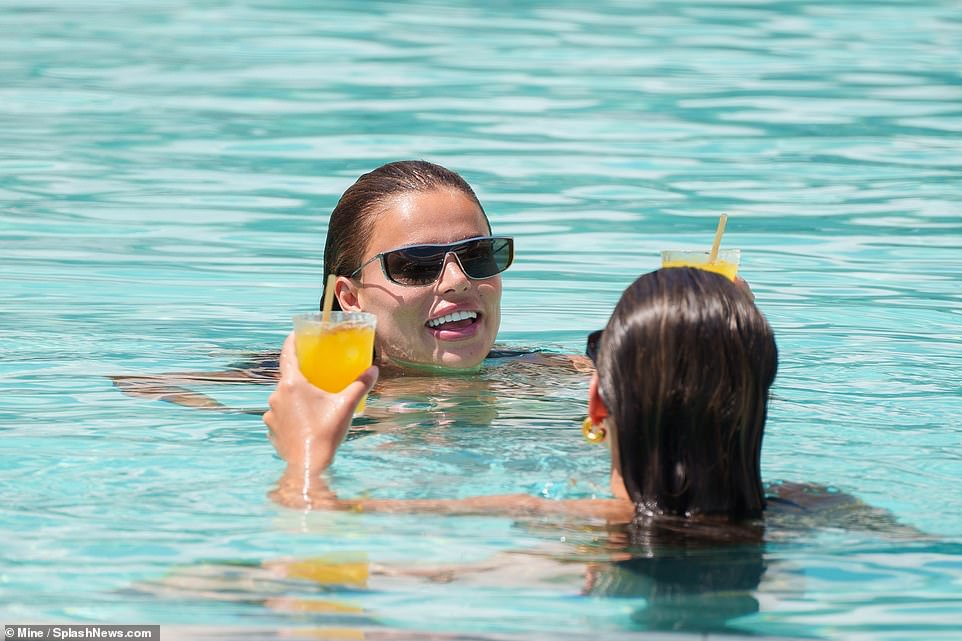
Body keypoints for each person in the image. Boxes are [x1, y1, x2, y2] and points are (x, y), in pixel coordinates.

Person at [266, 266, 780, 521]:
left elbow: (316, 525)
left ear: (597, 403)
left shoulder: (560, 523)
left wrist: (303, 461)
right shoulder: (812, 510)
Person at [111, 160, 562, 412]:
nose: (458, 280)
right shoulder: (305, 387)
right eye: (414, 264)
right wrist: (222, 412)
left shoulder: (538, 375)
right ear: (349, 298)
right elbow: (141, 382)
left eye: (478, 254)